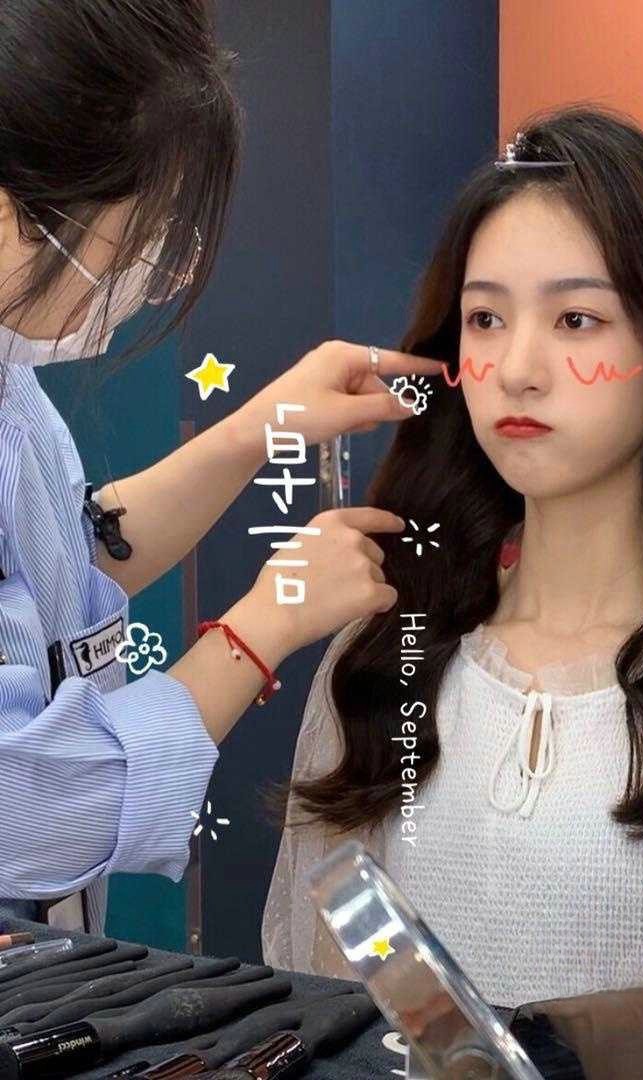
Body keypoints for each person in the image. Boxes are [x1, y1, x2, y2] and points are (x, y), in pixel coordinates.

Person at [263, 106, 643, 1060]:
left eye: (576, 320)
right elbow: (344, 996)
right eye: (485, 319)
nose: (517, 368)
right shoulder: (386, 655)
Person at [0, 0, 440, 932]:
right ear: (12, 211)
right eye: (138, 233)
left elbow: (60, 560)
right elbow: (27, 811)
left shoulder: (13, 384)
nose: (150, 269)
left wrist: (256, 430)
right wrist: (262, 625)